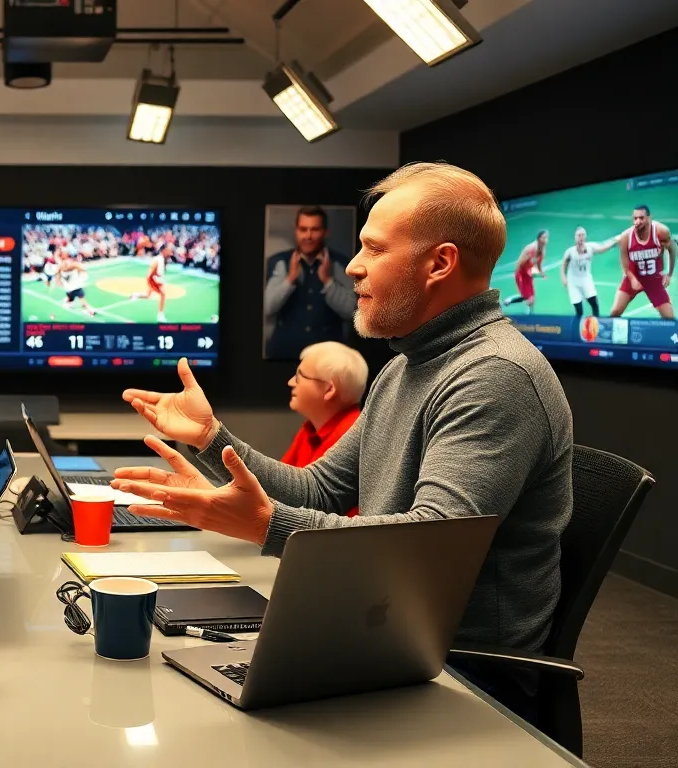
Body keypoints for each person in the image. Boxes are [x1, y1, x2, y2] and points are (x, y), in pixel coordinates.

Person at [112, 162, 572, 725]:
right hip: (382, 633)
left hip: (462, 679)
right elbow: (320, 487)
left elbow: (428, 546)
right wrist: (211, 439)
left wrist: (264, 524)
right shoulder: (408, 366)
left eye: (374, 249)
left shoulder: (493, 375)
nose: (352, 266)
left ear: (440, 263)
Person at [281, 341, 366, 517]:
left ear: (328, 389)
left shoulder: (353, 436)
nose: (290, 382)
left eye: (299, 376)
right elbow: (279, 487)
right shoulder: (310, 428)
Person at [263, 206, 356, 359]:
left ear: (325, 232)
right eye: (303, 229)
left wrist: (328, 281)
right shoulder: (280, 262)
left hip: (328, 359)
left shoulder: (341, 264)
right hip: (283, 355)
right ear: (296, 231)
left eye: (315, 229)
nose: (308, 236)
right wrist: (290, 278)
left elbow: (351, 313)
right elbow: (267, 308)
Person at [610, 204, 675, 319]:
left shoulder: (661, 231)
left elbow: (673, 249)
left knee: (670, 318)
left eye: (641, 218)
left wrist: (669, 274)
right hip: (633, 277)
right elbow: (625, 265)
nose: (638, 221)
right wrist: (633, 279)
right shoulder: (626, 237)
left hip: (654, 279)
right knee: (615, 312)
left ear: (649, 218)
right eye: (635, 218)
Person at [561, 226, 618, 317]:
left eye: (583, 235)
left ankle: (596, 324)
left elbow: (602, 249)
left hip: (586, 279)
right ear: (575, 237)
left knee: (594, 303)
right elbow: (564, 264)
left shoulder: (590, 247)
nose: (581, 237)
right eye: (579, 235)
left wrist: (614, 243)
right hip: (573, 281)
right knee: (579, 309)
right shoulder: (570, 252)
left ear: (585, 237)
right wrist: (563, 278)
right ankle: (577, 328)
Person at [503, 231, 547, 312]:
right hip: (521, 274)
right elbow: (520, 264)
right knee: (528, 297)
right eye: (544, 238)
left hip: (528, 274)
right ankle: (509, 300)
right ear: (539, 239)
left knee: (531, 298)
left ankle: (529, 316)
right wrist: (529, 261)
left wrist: (542, 273)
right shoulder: (530, 249)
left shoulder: (542, 250)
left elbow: (538, 264)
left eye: (546, 238)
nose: (546, 240)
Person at [129, 243, 171, 322]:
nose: (169, 251)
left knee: (148, 296)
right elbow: (152, 272)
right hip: (152, 279)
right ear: (164, 250)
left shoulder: (164, 259)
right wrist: (155, 282)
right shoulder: (158, 259)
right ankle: (160, 315)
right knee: (163, 294)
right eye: (168, 250)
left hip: (155, 279)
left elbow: (160, 273)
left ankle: (134, 294)